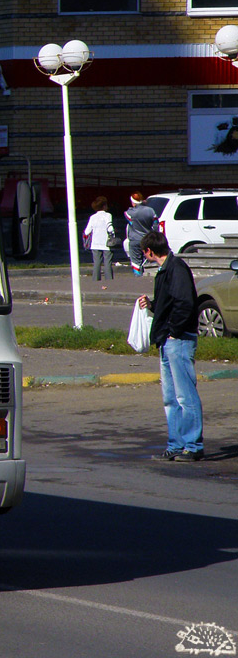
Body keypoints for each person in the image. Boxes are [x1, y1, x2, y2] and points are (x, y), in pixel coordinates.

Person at [136, 230, 204, 462]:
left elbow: (185, 304)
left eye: (144, 252)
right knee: (171, 398)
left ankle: (193, 446)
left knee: (185, 396)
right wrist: (153, 305)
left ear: (149, 251)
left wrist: (174, 332)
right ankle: (175, 444)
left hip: (179, 340)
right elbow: (170, 305)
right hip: (167, 339)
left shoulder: (176, 269)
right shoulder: (165, 271)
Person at [83, 196, 114, 282]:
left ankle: (95, 280)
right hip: (106, 243)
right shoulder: (108, 215)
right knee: (107, 262)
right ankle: (109, 280)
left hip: (95, 243)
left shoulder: (92, 217)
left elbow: (87, 231)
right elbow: (110, 227)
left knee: (97, 263)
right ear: (104, 206)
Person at [125, 192, 157, 276]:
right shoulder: (150, 210)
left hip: (134, 239)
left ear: (133, 202)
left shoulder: (129, 213)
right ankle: (146, 274)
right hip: (147, 238)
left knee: (136, 261)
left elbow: (130, 221)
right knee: (146, 258)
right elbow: (156, 224)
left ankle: (138, 276)